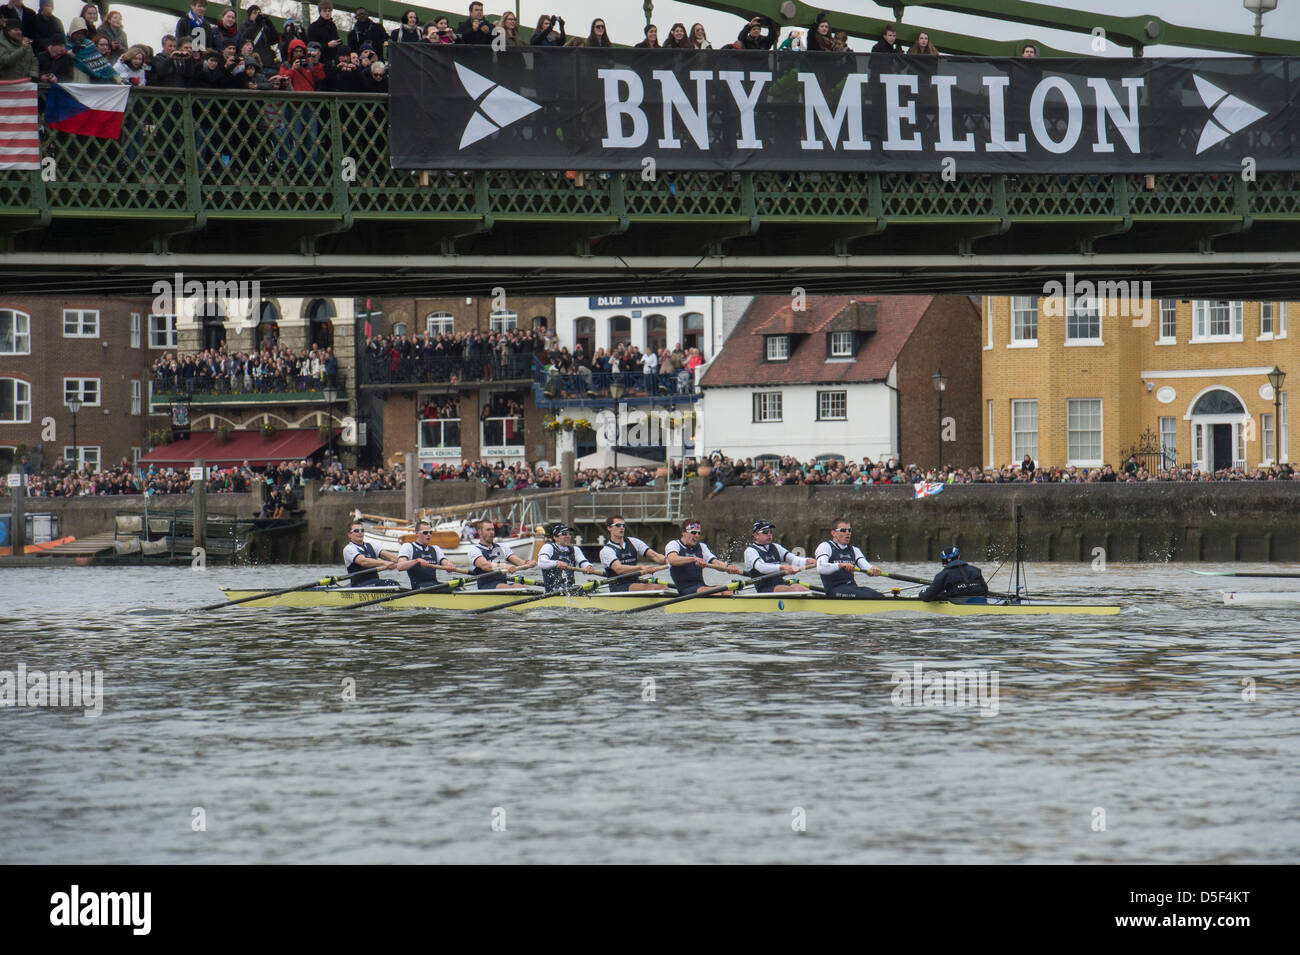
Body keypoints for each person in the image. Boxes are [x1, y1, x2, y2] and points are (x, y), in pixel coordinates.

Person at [664, 518, 740, 596]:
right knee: (716, 592)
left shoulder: (701, 547)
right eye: (693, 532)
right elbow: (672, 559)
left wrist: (727, 567)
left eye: (698, 533)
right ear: (683, 532)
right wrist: (694, 559)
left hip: (701, 586)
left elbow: (715, 562)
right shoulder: (674, 544)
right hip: (685, 589)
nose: (697, 535)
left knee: (727, 591)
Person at [815, 519, 884, 598]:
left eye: (849, 530)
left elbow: (866, 566)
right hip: (834, 590)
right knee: (867, 596)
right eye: (843, 530)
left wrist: (873, 569)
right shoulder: (825, 547)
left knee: (879, 596)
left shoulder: (854, 550)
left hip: (852, 587)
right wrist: (840, 565)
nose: (847, 533)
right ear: (833, 533)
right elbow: (821, 568)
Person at [599, 514, 668, 592]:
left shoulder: (633, 542)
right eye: (618, 525)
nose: (621, 527)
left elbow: (655, 556)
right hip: (619, 586)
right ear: (609, 528)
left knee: (664, 587)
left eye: (623, 525)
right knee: (661, 588)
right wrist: (641, 567)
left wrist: (668, 560)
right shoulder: (606, 551)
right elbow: (619, 569)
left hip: (635, 582)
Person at [744, 520, 815, 593]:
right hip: (765, 588)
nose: (769, 534)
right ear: (756, 535)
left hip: (780, 583)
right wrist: (783, 567)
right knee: (794, 590)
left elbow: (794, 559)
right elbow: (761, 567)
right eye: (765, 532)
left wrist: (808, 561)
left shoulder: (776, 547)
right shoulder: (750, 551)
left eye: (771, 531)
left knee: (804, 590)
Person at [467, 517, 536, 589]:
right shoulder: (475, 550)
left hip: (502, 585)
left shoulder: (502, 547)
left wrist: (528, 563)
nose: (491, 532)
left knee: (523, 587)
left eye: (493, 529)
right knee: (514, 587)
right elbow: (485, 565)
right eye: (488, 530)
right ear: (479, 532)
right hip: (486, 587)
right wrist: (505, 566)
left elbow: (519, 562)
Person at [397, 520, 460, 590]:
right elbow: (400, 566)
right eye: (425, 533)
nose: (429, 535)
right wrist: (417, 561)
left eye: (430, 532)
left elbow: (445, 562)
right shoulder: (408, 547)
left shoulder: (435, 549)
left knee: (457, 587)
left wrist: (449, 565)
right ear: (417, 533)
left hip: (434, 585)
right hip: (419, 588)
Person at [342, 523, 409, 587]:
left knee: (393, 583)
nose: (360, 532)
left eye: (362, 530)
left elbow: (391, 557)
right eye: (356, 531)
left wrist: (405, 560)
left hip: (374, 583)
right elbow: (363, 561)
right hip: (359, 585)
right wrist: (384, 563)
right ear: (349, 534)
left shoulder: (372, 545)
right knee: (390, 583)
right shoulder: (348, 549)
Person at [918, 546, 989, 601]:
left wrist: (922, 593)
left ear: (944, 561)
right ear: (958, 557)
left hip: (957, 603)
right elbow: (985, 590)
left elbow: (927, 597)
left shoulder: (943, 575)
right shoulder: (975, 570)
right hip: (980, 601)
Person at [536, 524, 594, 591]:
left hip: (570, 590)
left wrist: (588, 566)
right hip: (552, 591)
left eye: (570, 534)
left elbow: (583, 562)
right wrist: (556, 563)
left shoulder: (575, 549)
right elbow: (541, 563)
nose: (568, 536)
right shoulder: (548, 547)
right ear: (555, 537)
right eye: (564, 534)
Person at [0, 14, 35, 78]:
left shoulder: (25, 42)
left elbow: (34, 61)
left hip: (25, 82)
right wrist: (22, 49)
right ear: (8, 31)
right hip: (7, 84)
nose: (19, 32)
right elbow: (5, 61)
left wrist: (33, 75)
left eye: (20, 30)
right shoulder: (1, 43)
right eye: (16, 30)